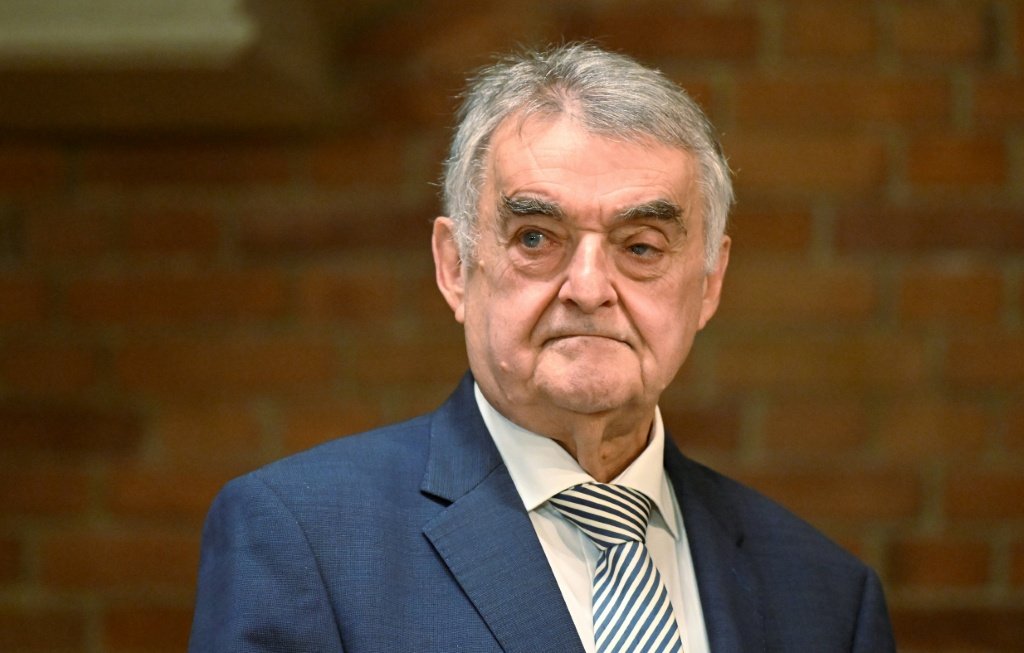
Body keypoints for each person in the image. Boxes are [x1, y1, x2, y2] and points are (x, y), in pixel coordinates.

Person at [189, 42, 895, 652]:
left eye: (641, 246)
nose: (588, 288)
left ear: (709, 282)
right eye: (536, 237)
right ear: (455, 266)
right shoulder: (301, 540)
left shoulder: (828, 598)